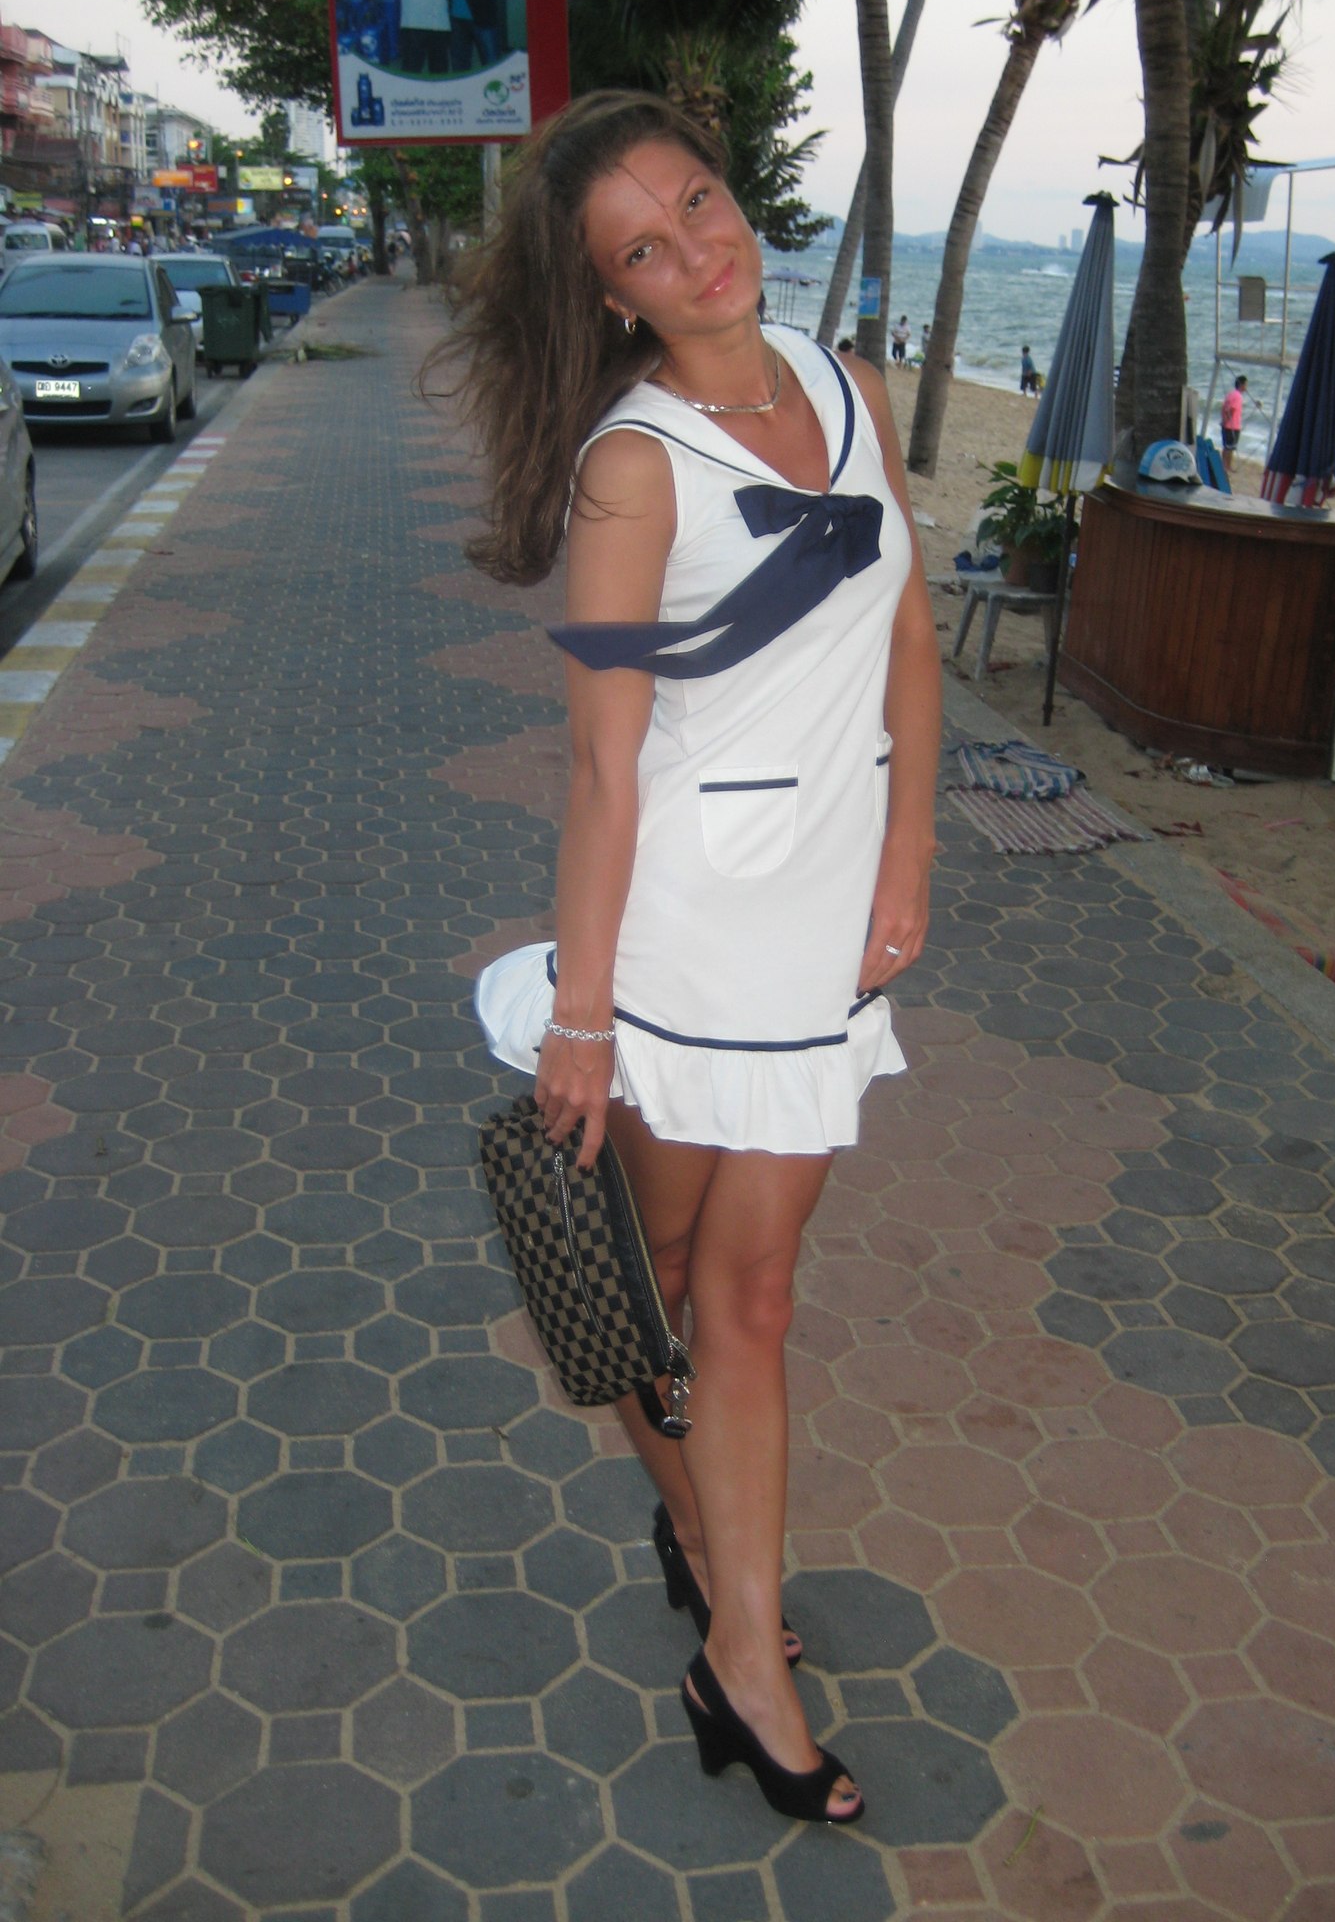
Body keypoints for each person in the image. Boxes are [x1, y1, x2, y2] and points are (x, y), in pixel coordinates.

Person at [450, 91, 940, 1826]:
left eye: (702, 203)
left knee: (755, 1292)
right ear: (613, 295)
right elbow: (602, 765)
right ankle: (733, 1603)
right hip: (682, 934)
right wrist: (581, 1020)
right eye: (644, 248)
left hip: (825, 920)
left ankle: (727, 1608)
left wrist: (908, 847)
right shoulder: (632, 468)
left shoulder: (843, 380)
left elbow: (907, 630)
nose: (698, 249)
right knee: (661, 1278)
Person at [1221, 374, 1248, 473]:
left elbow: (1223, 407)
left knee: (1226, 447)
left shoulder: (1230, 394)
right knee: (1230, 448)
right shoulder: (1238, 396)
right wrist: (1226, 420)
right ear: (1241, 385)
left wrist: (1223, 420)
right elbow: (1232, 409)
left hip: (1227, 425)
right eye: (1245, 385)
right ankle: (1227, 466)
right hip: (1233, 426)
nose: (1246, 387)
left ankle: (1224, 465)